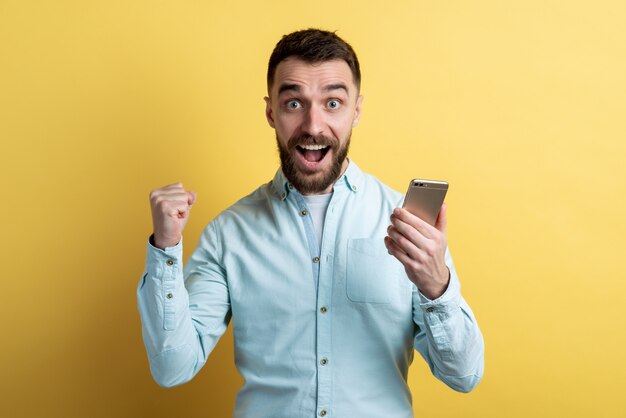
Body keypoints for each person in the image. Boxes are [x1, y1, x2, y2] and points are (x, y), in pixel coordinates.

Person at [138, 28, 484, 418]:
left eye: (333, 103)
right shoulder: (229, 233)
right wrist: (165, 249)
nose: (314, 125)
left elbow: (464, 375)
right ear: (271, 112)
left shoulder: (406, 223)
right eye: (294, 104)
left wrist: (437, 286)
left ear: (356, 109)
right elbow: (172, 368)